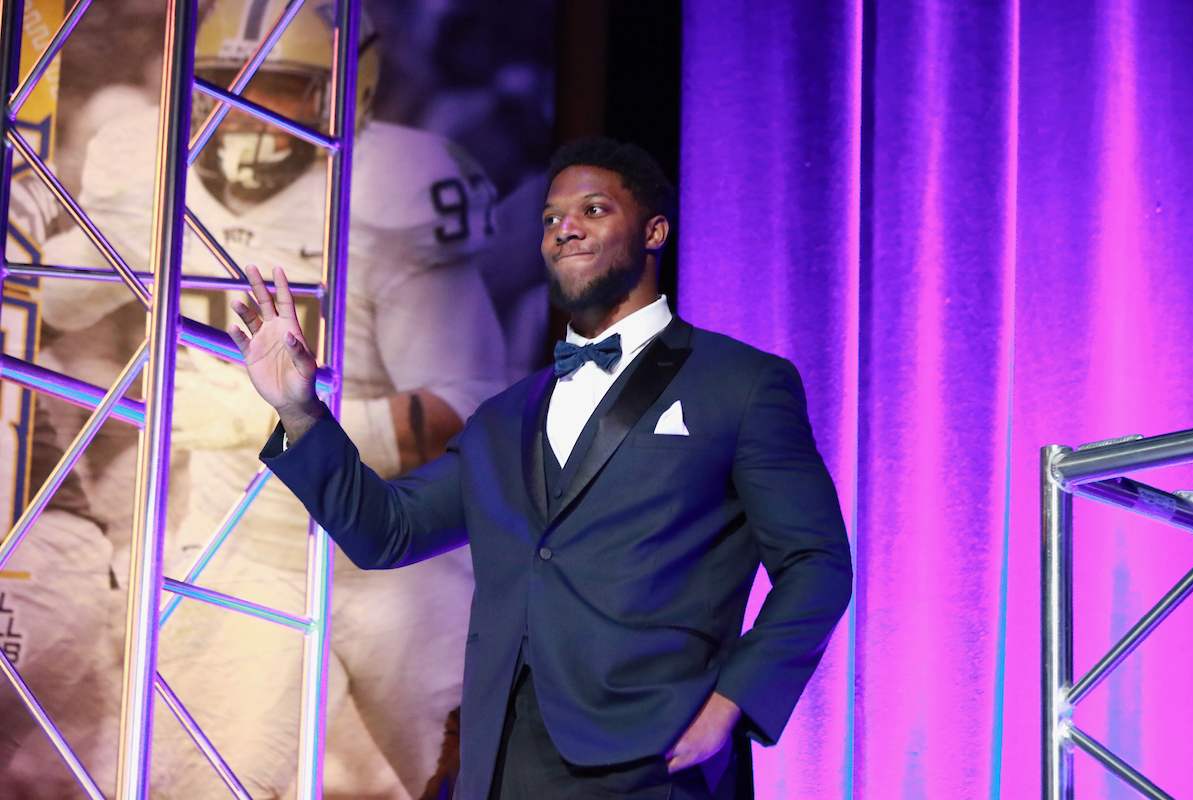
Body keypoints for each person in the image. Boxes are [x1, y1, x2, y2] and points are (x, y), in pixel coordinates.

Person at [231, 138, 854, 800]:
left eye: (593, 209)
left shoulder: (740, 383)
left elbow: (817, 564)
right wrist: (300, 411)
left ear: (654, 230)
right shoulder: (505, 417)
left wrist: (732, 703)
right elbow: (387, 532)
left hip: (656, 760)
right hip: (504, 765)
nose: (566, 229)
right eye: (552, 219)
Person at [30, 1, 508, 796]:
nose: (242, 107)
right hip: (236, 549)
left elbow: (469, 412)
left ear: (343, 91)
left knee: (492, 774)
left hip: (395, 549)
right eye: (221, 82)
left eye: (277, 86)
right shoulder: (156, 169)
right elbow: (39, 300)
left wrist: (272, 419)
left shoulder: (393, 190)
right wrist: (111, 239)